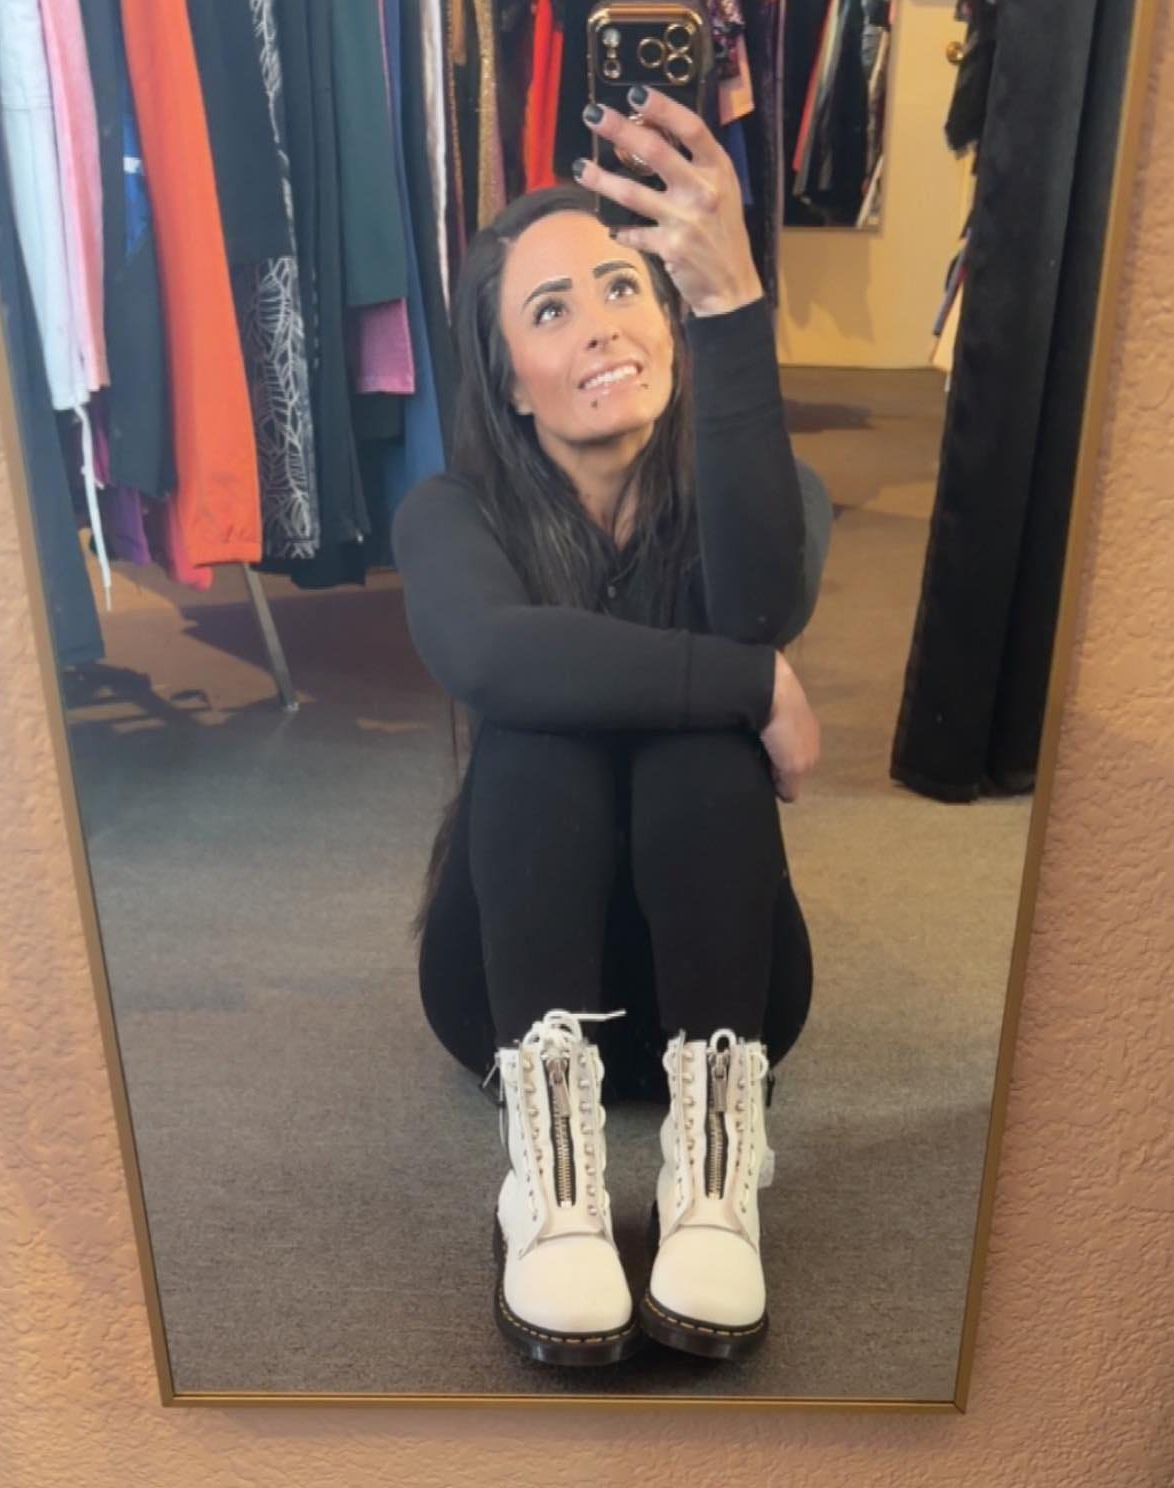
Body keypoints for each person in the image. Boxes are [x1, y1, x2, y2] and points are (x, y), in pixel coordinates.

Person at [392, 87, 830, 1367]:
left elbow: (759, 608)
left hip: (732, 993)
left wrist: (733, 305)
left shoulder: (770, 492)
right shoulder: (449, 514)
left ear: (669, 321)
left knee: (696, 734)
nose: (599, 327)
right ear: (511, 383)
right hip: (507, 991)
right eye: (550, 310)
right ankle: (553, 1189)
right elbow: (489, 655)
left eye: (624, 287)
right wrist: (751, 686)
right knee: (542, 719)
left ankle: (713, 1179)